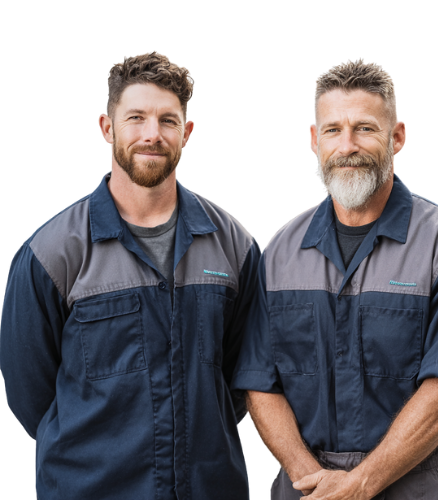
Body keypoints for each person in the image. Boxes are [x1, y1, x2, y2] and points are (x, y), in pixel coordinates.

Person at [231, 58, 438, 500]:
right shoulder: (279, 253)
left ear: (398, 136)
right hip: (305, 488)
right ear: (314, 140)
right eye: (333, 130)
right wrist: (311, 478)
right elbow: (259, 381)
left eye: (365, 129)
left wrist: (360, 484)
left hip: (410, 486)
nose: (347, 145)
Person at [0, 51, 260, 500]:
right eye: (136, 117)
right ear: (107, 127)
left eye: (167, 120)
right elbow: (31, 394)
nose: (151, 134)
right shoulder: (52, 253)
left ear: (187, 132)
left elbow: (244, 378)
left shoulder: (233, 245)